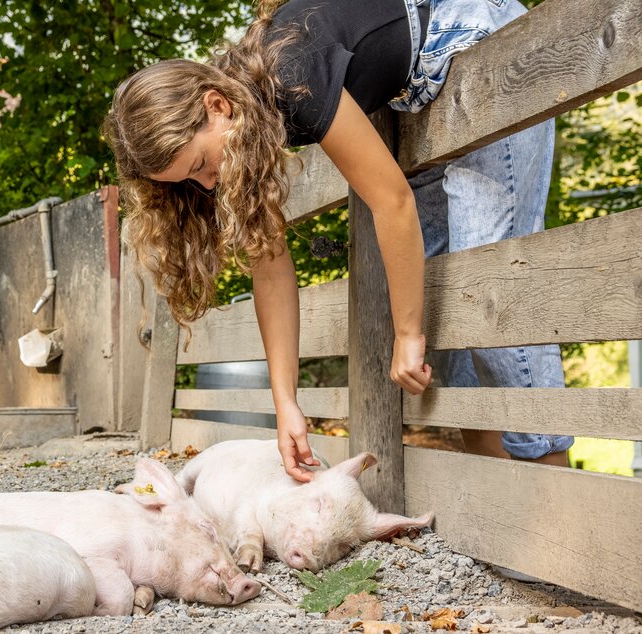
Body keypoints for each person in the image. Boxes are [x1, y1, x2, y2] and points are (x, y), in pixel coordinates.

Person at [102, 0, 572, 483]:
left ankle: (558, 503)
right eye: (191, 181)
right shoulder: (250, 120)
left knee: (487, 294)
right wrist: (286, 404)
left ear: (216, 106)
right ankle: (503, 507)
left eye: (201, 165)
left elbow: (392, 202)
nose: (206, 184)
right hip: (419, 93)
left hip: (474, 36)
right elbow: (269, 268)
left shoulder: (289, 73)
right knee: (441, 309)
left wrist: (406, 336)